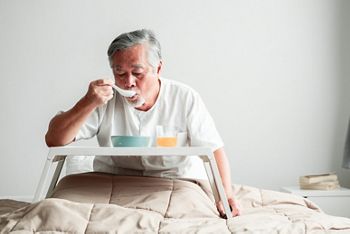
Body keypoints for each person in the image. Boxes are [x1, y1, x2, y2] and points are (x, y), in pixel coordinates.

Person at [45, 29, 239, 217]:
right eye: (120, 73)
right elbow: (54, 139)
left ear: (158, 69)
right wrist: (86, 103)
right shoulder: (103, 98)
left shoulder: (185, 97)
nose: (128, 82)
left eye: (138, 73)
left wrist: (226, 195)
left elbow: (214, 150)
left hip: (173, 182)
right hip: (112, 180)